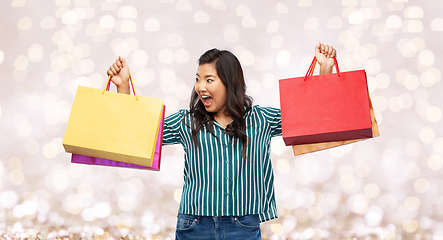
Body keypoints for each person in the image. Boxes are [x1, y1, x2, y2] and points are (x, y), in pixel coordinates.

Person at [107, 43, 337, 240]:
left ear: (230, 83)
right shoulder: (187, 122)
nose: (201, 87)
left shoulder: (261, 119)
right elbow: (139, 133)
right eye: (198, 79)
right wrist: (123, 86)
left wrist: (324, 69)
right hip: (194, 226)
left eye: (209, 79)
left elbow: (311, 120)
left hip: (243, 227)